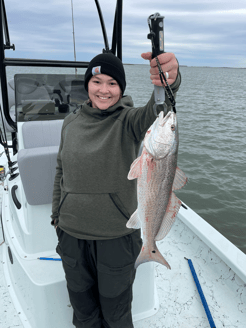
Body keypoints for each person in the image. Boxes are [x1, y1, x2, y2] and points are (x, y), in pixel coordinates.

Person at [51, 51, 181, 328]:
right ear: (87, 84)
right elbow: (60, 170)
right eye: (97, 81)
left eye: (112, 83)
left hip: (117, 238)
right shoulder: (70, 123)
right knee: (83, 309)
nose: (104, 90)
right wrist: (56, 218)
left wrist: (168, 80)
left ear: (121, 89)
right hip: (72, 236)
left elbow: (159, 112)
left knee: (116, 312)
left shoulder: (130, 122)